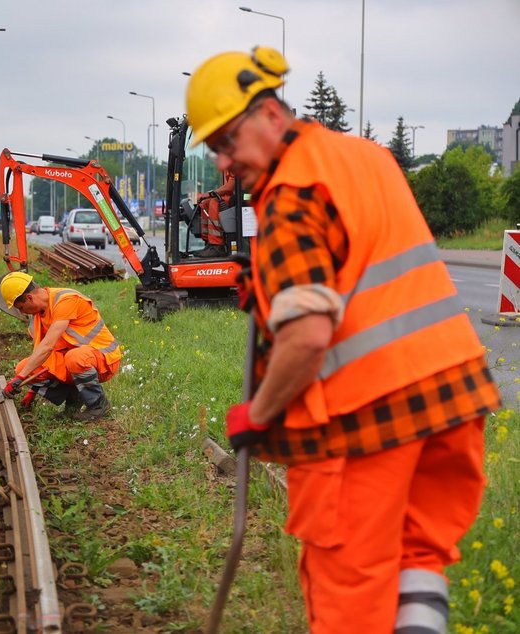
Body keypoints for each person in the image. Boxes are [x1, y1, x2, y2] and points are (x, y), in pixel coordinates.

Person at [185, 46, 501, 633]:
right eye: (215, 150)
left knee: (349, 597)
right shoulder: (368, 157)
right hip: (453, 404)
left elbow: (306, 337)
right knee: (415, 563)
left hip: (367, 426)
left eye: (228, 141)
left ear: (271, 116)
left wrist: (259, 414)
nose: (225, 162)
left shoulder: (293, 194)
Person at [0, 271, 120, 420]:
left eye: (21, 308)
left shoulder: (65, 300)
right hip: (74, 363)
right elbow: (41, 353)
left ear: (30, 298)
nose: (22, 312)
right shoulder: (37, 316)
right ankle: (73, 401)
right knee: (23, 368)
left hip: (103, 359)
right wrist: (31, 389)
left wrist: (18, 379)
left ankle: (98, 405)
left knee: (74, 358)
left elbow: (48, 345)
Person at [195, 171, 235, 257]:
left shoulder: (236, 161)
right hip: (235, 196)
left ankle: (217, 246)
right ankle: (209, 243)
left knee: (214, 202)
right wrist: (208, 195)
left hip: (245, 196)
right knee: (205, 203)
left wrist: (209, 194)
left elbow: (231, 186)